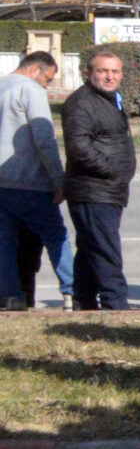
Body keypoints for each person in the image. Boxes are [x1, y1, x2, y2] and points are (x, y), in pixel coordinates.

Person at [61, 48, 136, 311]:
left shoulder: (109, 99)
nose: (109, 76)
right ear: (88, 73)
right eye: (102, 70)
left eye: (115, 71)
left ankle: (83, 304)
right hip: (94, 190)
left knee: (90, 249)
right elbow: (79, 147)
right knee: (106, 251)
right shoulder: (83, 103)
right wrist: (113, 170)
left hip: (108, 190)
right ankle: (116, 306)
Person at [0, 51, 68, 311]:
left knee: (5, 243)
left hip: (2, 183)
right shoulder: (30, 89)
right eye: (48, 79)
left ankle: (11, 296)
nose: (46, 85)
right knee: (56, 236)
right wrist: (58, 178)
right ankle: (72, 291)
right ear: (35, 70)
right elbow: (44, 139)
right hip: (30, 180)